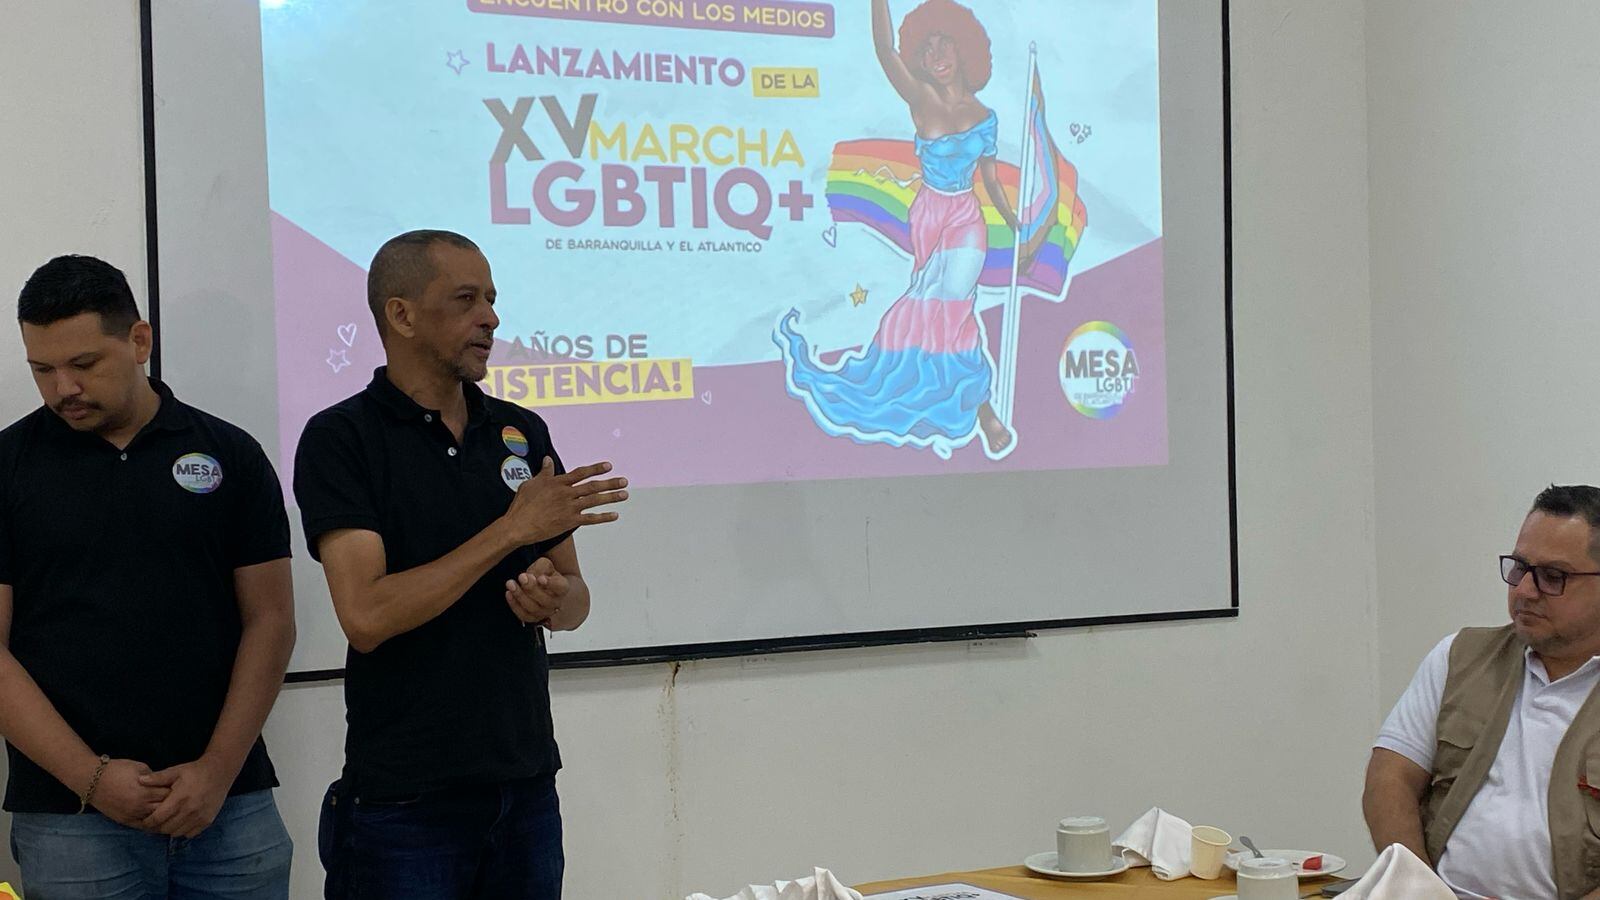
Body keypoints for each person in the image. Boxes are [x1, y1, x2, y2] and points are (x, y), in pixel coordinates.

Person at [295, 230, 627, 898]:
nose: (492, 318)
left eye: (494, 300)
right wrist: (509, 533)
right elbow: (366, 615)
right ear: (402, 314)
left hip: (525, 788)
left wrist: (551, 601)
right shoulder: (342, 440)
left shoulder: (520, 430)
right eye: (468, 299)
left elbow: (576, 598)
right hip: (406, 804)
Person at [0, 255, 296, 897]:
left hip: (230, 806)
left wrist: (217, 771)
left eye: (83, 365)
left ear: (139, 340)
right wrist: (92, 778)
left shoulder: (230, 455)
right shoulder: (7, 467)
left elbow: (270, 620)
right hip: (69, 820)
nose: (62, 390)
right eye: (41, 370)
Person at [776, 0, 1031, 461]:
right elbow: (881, 46)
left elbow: (990, 179)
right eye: (927, 47)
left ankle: (982, 409)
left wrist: (1015, 224)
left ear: (963, 47)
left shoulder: (986, 117)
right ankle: (969, 404)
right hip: (930, 214)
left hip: (966, 217)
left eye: (944, 42)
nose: (937, 53)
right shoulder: (920, 99)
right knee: (929, 307)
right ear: (919, 59)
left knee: (954, 301)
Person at [1364, 484, 1600, 900]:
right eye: (1519, 567)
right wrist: (1420, 891)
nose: (1525, 590)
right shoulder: (1461, 657)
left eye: (1552, 576)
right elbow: (1390, 778)